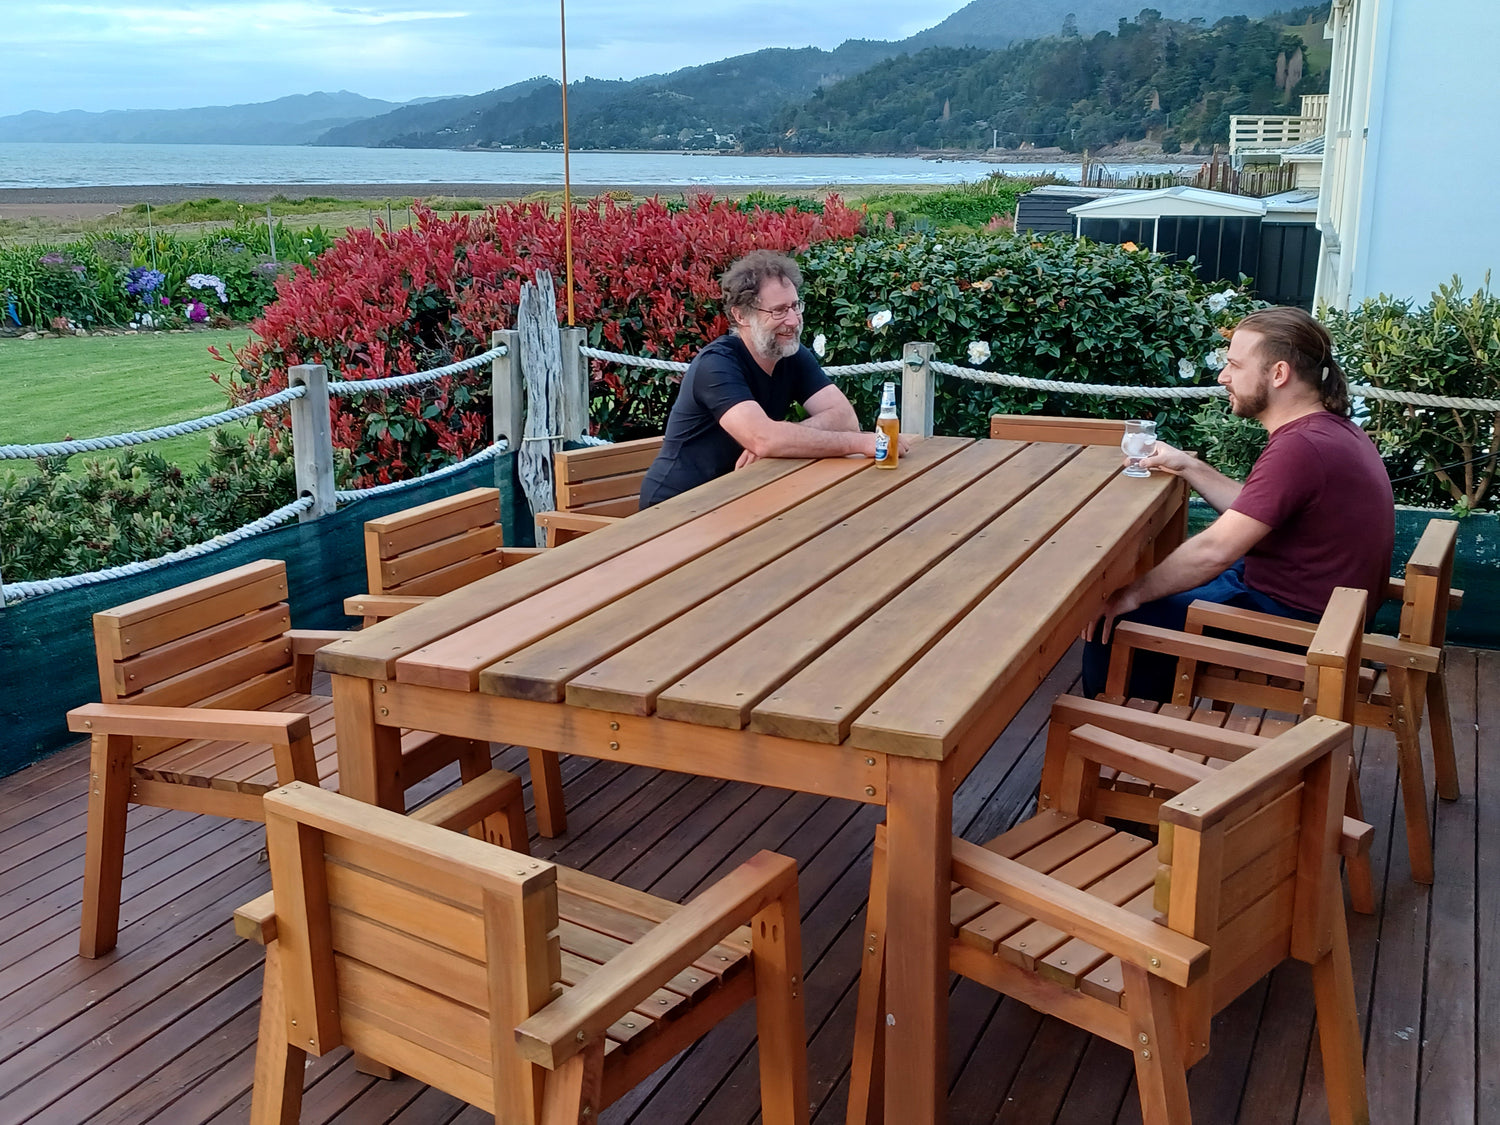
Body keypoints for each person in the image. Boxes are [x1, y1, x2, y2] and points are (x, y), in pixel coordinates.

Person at [1082, 305, 1395, 700]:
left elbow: (1215, 550)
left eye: (1234, 365)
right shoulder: (1331, 431)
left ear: (1278, 374)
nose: (1222, 377)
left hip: (1296, 625)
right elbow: (1256, 511)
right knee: (1152, 595)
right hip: (1320, 611)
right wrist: (1187, 466)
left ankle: (1117, 735)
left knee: (1120, 622)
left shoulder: (1302, 447)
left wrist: (1129, 594)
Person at [639, 249, 907, 508]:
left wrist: (779, 440)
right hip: (677, 506)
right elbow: (764, 439)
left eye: (795, 306)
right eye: (778, 310)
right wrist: (861, 442)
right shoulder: (717, 364)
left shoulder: (790, 354)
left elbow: (845, 418)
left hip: (736, 499)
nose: (792, 320)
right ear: (741, 315)